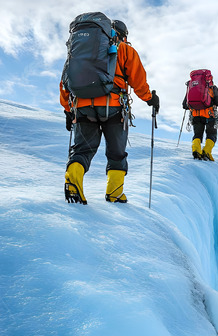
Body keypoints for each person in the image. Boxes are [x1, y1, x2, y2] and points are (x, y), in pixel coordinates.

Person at [61, 19, 159, 204]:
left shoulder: (79, 51)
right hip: (113, 107)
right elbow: (138, 81)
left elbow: (66, 81)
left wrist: (68, 110)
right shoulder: (125, 50)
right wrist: (149, 98)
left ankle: (73, 182)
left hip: (82, 106)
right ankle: (114, 193)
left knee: (82, 150)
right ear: (123, 34)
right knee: (116, 153)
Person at [182, 71, 218, 161]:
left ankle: (196, 150)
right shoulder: (213, 88)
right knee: (212, 134)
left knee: (197, 135)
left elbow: (184, 105)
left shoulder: (191, 87)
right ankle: (206, 151)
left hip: (196, 115)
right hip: (210, 115)